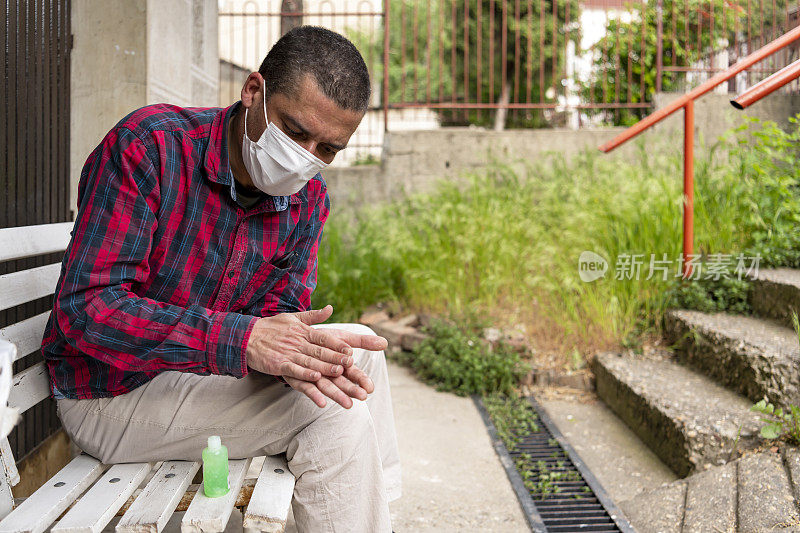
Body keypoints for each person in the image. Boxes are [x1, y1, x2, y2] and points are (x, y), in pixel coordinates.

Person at [42, 26, 400, 532]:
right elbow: (87, 310)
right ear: (253, 91)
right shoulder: (151, 148)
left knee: (359, 355)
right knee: (334, 417)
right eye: (295, 132)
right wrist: (243, 337)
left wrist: (293, 345)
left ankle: (376, 515)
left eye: (328, 149)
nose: (307, 157)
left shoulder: (307, 199)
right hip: (110, 391)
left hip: (203, 380)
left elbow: (276, 318)